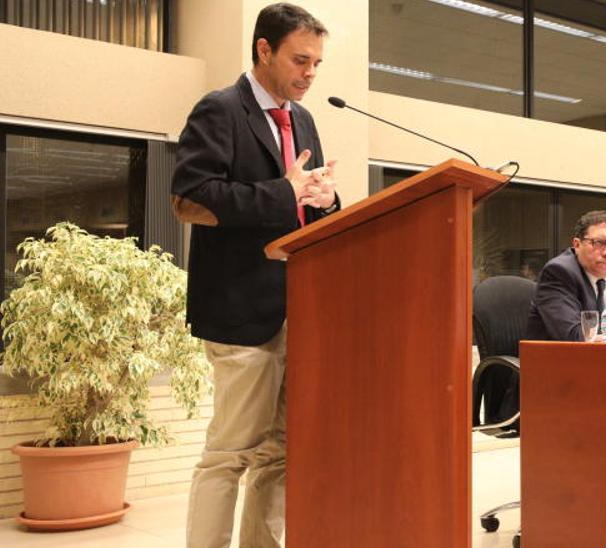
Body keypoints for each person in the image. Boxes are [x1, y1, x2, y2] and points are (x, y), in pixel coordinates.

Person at [170, 4, 339, 548]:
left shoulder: (305, 119)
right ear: (264, 50)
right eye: (300, 60)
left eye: (316, 63)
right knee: (231, 454)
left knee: (282, 453)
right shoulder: (220, 109)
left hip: (298, 310)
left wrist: (325, 202)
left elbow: (300, 209)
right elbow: (189, 199)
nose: (310, 73)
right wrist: (285, 192)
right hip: (240, 311)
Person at [525, 210, 606, 343]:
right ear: (577, 244)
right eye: (598, 243)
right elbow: (574, 335)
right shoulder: (559, 272)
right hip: (558, 361)